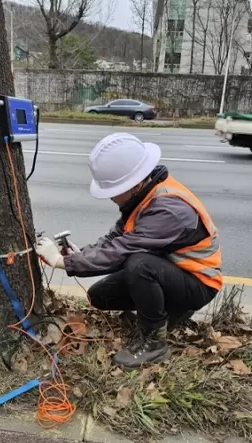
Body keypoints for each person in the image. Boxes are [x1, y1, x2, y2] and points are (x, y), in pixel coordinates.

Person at [35, 132, 222, 370]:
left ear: (133, 184)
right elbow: (116, 237)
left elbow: (123, 250)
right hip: (169, 273)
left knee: (139, 264)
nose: (111, 196)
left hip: (199, 283)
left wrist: (64, 263)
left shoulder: (169, 209)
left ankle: (154, 342)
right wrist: (78, 254)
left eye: (113, 190)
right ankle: (165, 314)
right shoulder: (143, 196)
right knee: (100, 296)